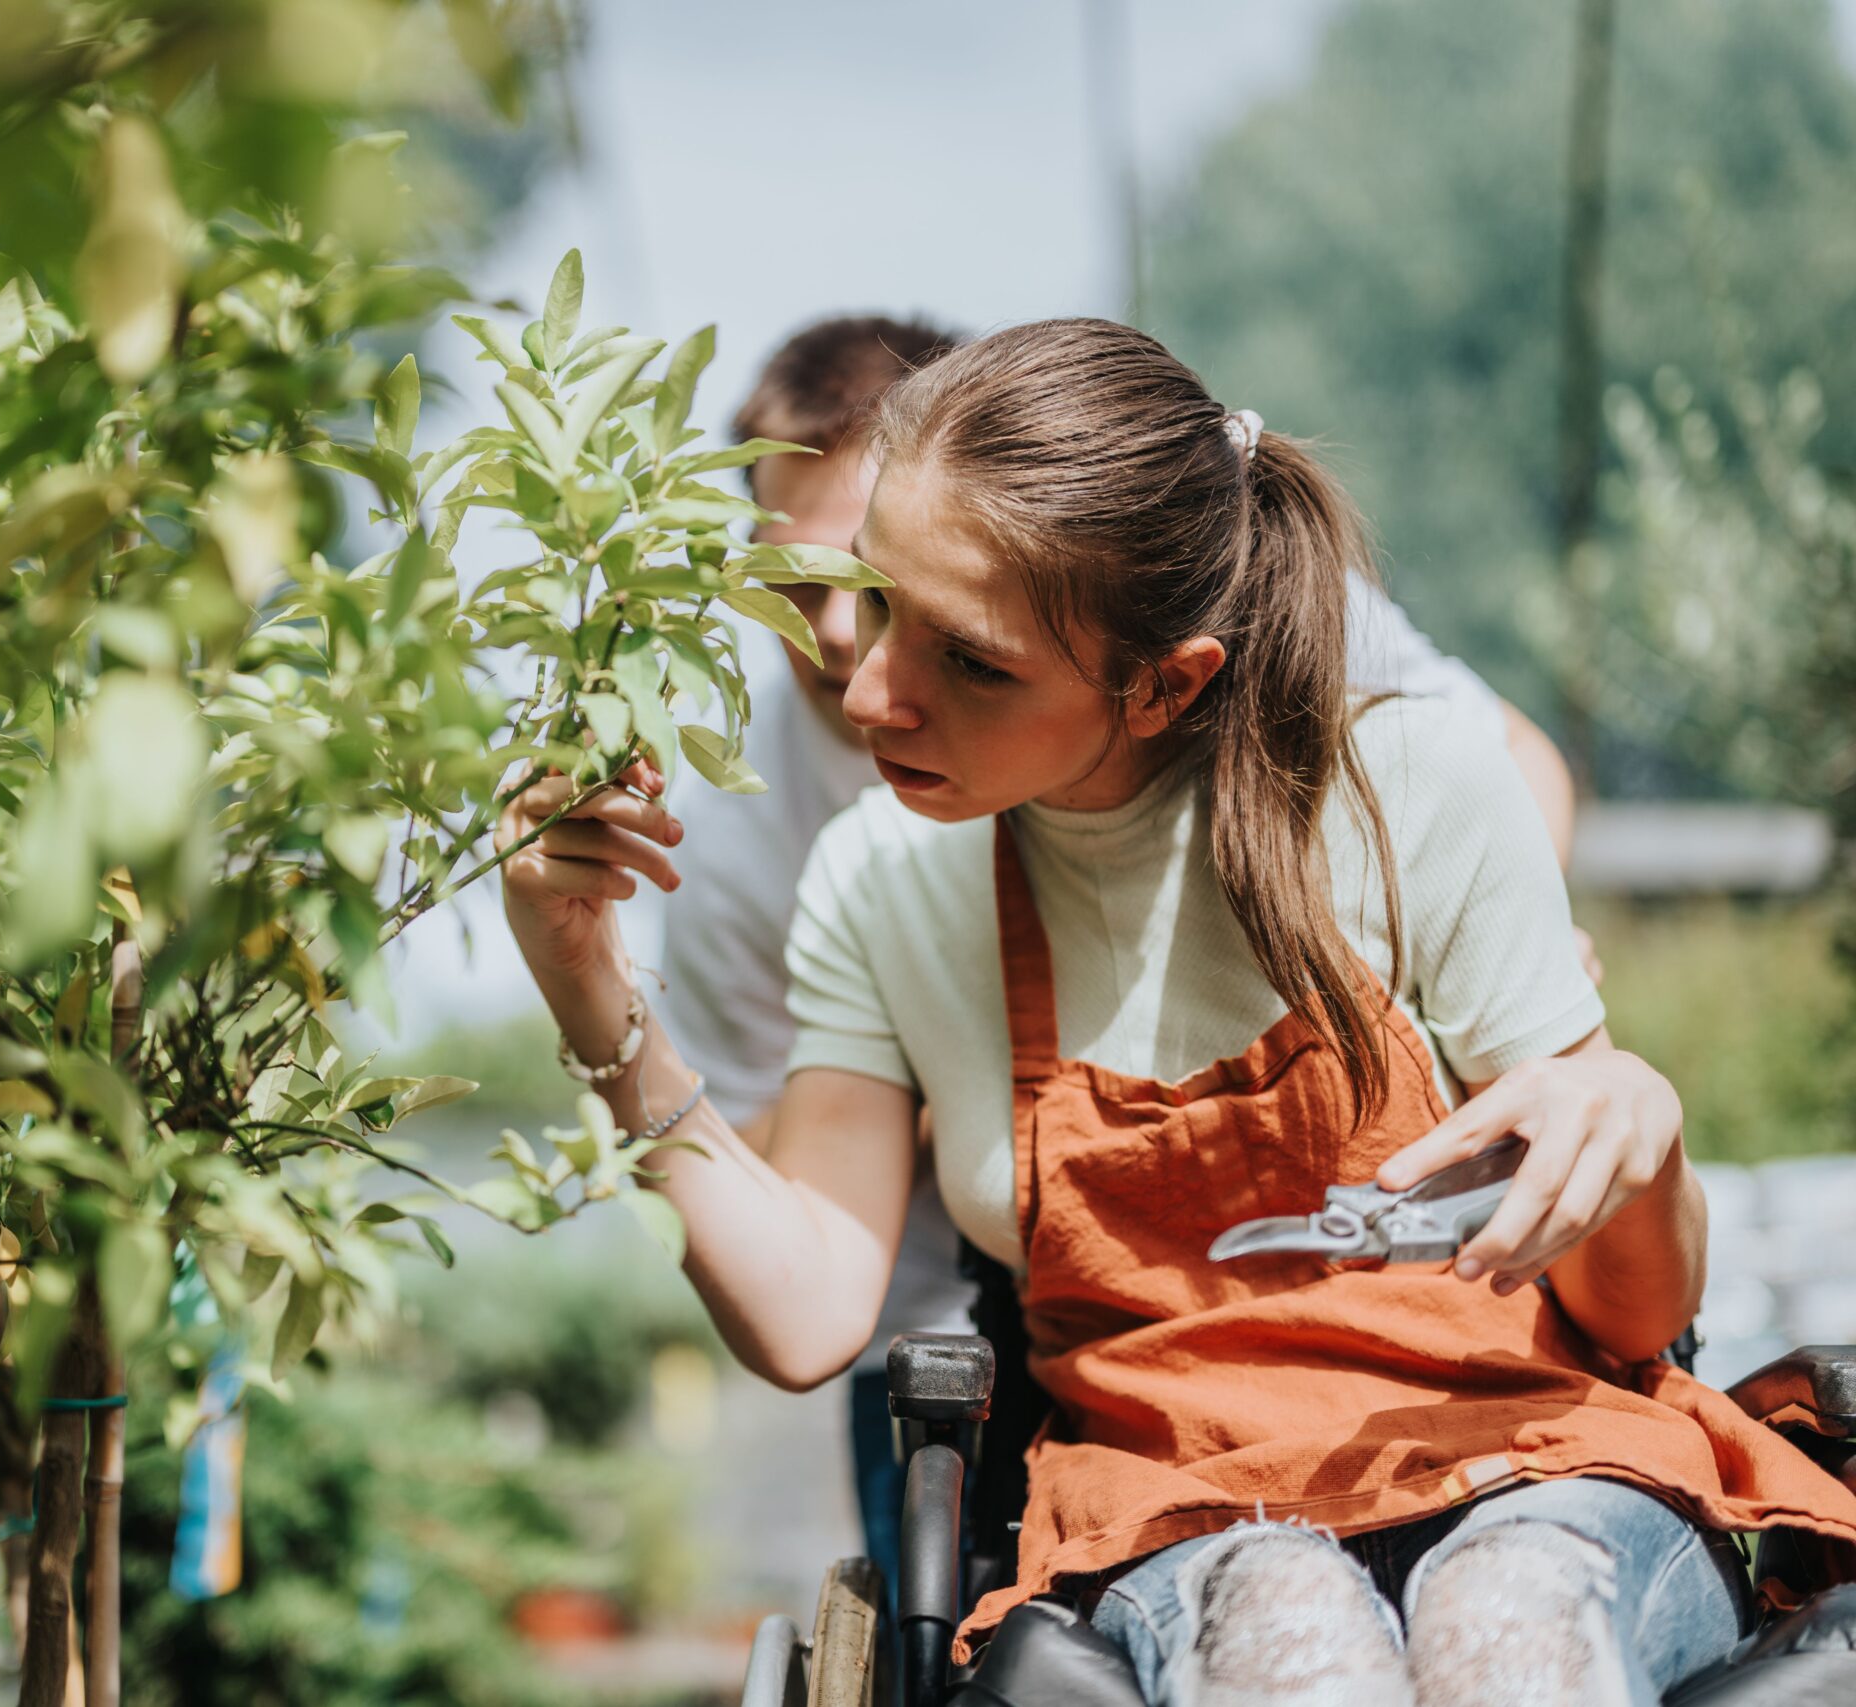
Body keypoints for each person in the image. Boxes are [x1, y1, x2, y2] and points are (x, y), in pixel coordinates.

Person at [500, 320, 1856, 1705]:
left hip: (1542, 1470)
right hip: (1166, 1503)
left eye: (970, 662)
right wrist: (585, 977)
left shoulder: (1415, 784)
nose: (869, 689)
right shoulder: (881, 880)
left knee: (1502, 1616)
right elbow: (798, 1313)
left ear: (1167, 682)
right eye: (873, 602)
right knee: (1289, 1635)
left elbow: (1638, 1312)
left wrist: (1640, 1126)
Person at [658, 315, 1592, 1614]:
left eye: (955, 644)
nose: (842, 650)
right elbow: (791, 1198)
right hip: (962, 1304)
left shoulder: (1197, 572)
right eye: (803, 587)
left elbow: (1492, 774)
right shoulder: (772, 848)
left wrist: (1513, 1001)